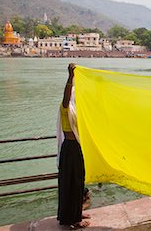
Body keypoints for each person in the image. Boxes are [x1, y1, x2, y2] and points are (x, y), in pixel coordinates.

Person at [57, 63, 91, 228]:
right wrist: (70, 78)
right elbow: (66, 96)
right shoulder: (65, 108)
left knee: (79, 182)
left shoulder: (78, 110)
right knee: (70, 184)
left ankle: (76, 212)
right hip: (70, 149)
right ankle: (74, 220)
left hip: (77, 148)